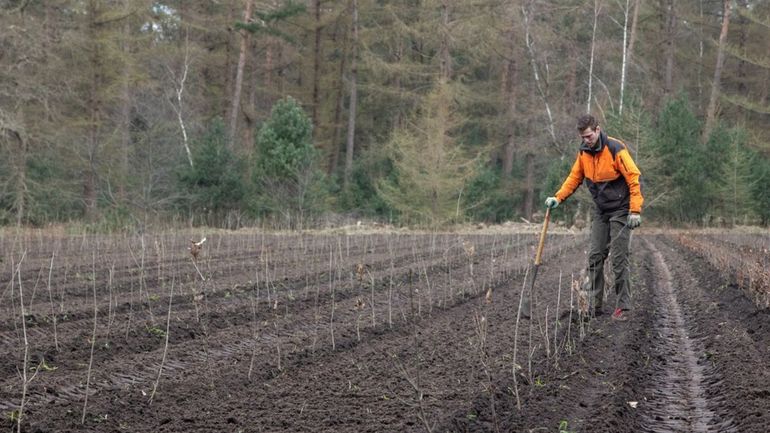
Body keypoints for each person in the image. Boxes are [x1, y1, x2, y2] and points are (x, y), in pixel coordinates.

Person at [545, 114, 643, 321]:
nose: (586, 140)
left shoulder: (616, 149)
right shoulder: (584, 152)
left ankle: (623, 307)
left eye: (589, 136)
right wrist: (558, 198)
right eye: (583, 137)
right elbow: (574, 177)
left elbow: (633, 179)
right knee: (595, 257)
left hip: (621, 209)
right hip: (601, 209)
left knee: (618, 259)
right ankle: (595, 306)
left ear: (597, 130)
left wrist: (635, 211)